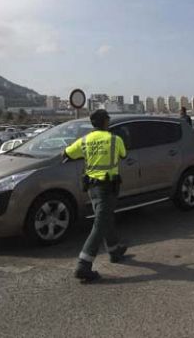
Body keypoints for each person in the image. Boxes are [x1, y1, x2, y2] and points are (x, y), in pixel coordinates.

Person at [63, 109, 128, 282]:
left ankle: (114, 250)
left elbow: (67, 153)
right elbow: (123, 154)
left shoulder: (84, 140)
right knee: (100, 223)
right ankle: (83, 265)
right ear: (106, 122)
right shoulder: (115, 140)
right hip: (108, 187)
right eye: (108, 119)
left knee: (105, 217)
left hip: (92, 188)